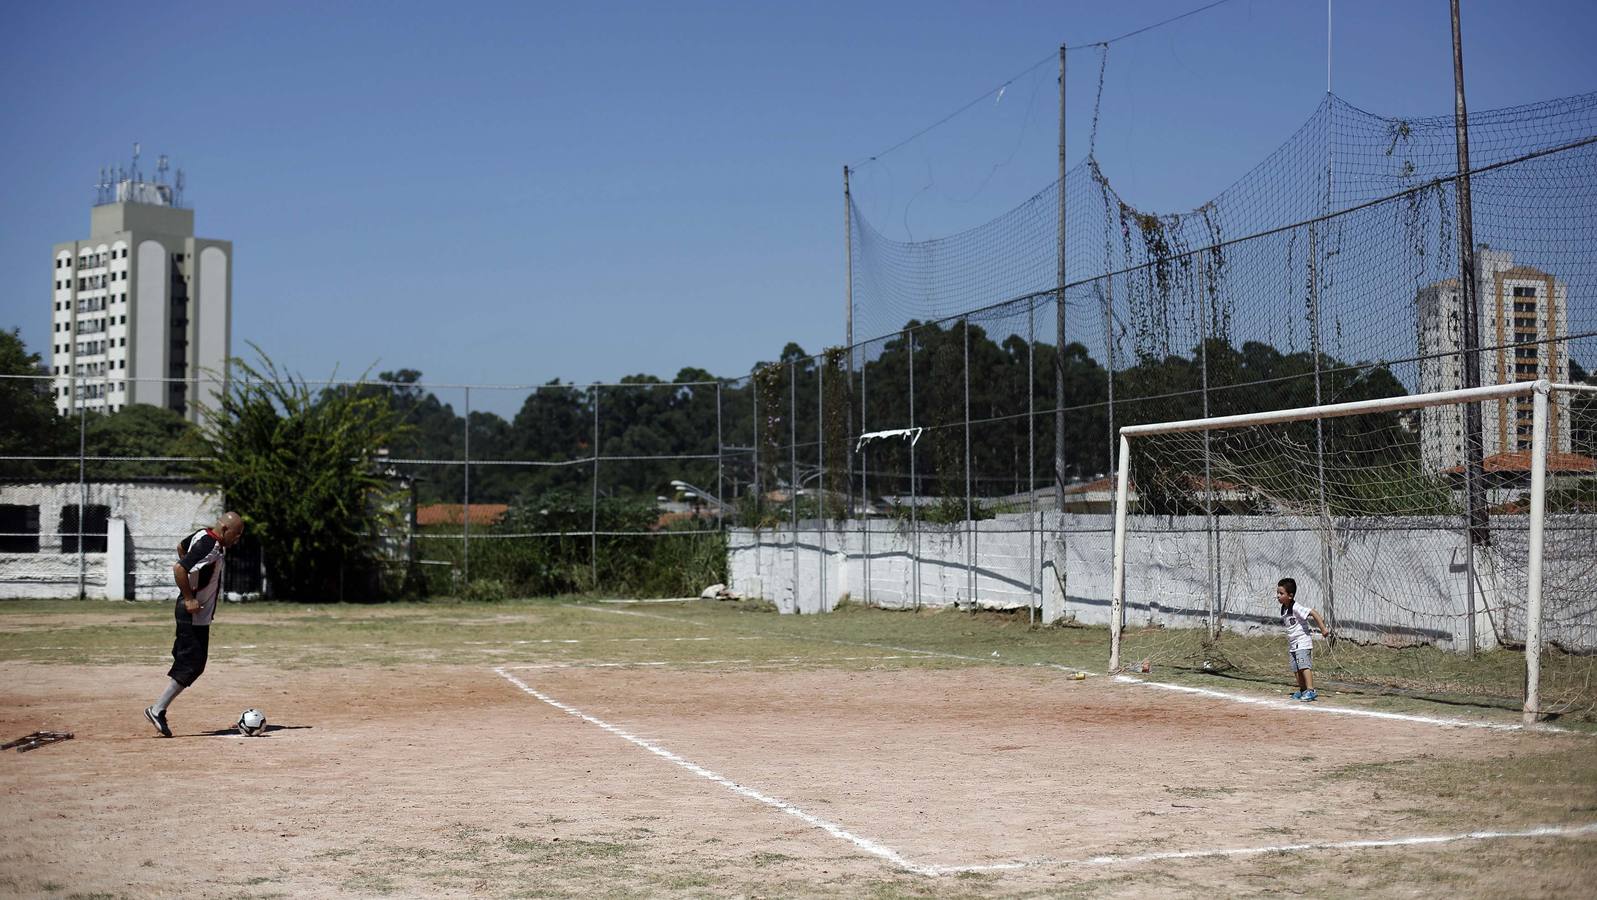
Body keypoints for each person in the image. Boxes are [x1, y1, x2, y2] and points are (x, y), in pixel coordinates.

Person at [144, 511, 245, 737]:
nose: (236, 540)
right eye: (236, 536)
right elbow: (180, 567)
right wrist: (190, 597)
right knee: (194, 664)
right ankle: (157, 709)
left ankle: (158, 708)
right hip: (193, 613)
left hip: (194, 613)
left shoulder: (202, 535)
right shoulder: (209, 544)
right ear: (226, 530)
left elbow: (182, 547)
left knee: (190, 660)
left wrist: (192, 584)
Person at [1277, 577, 1331, 702]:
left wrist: (1323, 628)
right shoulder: (1284, 608)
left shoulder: (1296, 607)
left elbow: (1313, 612)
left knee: (1303, 666)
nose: (1278, 596)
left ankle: (1311, 690)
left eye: (1281, 593)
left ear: (1290, 595)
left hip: (1302, 642)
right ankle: (1303, 690)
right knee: (1295, 668)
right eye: (1277, 593)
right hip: (1293, 644)